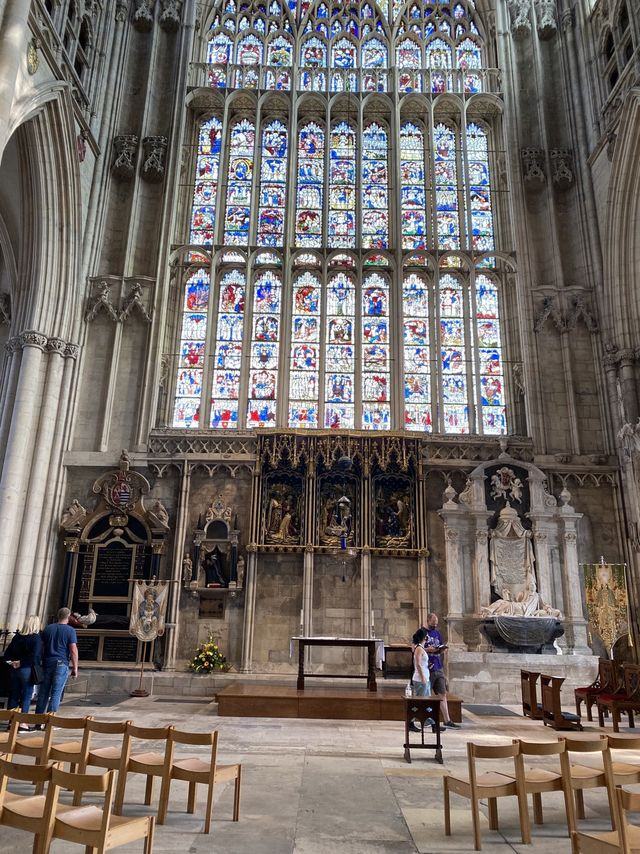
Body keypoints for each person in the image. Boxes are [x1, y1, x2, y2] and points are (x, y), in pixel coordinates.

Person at [35, 607, 78, 716]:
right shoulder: (70, 630)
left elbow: (41, 646)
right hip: (61, 663)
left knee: (43, 692)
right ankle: (49, 721)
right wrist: (75, 668)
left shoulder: (48, 628)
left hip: (47, 662)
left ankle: (38, 720)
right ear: (68, 617)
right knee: (56, 692)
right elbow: (73, 649)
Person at [4, 615, 43, 723]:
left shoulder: (17, 637)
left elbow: (8, 654)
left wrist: (11, 663)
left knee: (14, 695)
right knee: (26, 696)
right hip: (26, 669)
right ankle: (21, 722)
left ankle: (11, 722)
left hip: (14, 669)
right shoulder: (36, 638)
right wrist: (21, 663)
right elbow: (35, 656)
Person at [423, 613, 459, 729]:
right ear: (428, 621)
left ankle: (447, 720)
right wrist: (429, 649)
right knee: (426, 695)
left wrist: (441, 650)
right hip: (428, 668)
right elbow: (417, 648)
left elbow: (440, 645)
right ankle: (427, 719)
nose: (435, 626)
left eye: (436, 624)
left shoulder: (437, 633)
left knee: (442, 694)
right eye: (433, 624)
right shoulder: (422, 633)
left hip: (438, 667)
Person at [409, 628, 432, 734]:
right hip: (420, 679)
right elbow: (417, 664)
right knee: (420, 702)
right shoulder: (418, 648)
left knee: (426, 702)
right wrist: (423, 677)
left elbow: (422, 663)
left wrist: (428, 666)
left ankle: (431, 723)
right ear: (424, 637)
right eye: (427, 636)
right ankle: (411, 722)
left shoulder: (421, 648)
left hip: (424, 678)